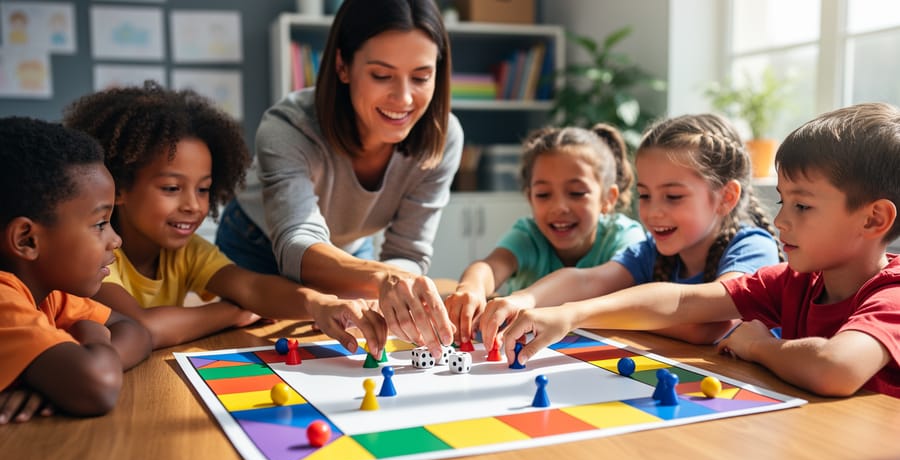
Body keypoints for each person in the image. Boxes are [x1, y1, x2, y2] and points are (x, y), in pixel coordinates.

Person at [495, 103, 900, 398]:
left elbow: (836, 368)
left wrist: (759, 346)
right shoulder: (793, 281)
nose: (781, 222)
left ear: (873, 219)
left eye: (803, 206)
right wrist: (570, 313)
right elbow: (685, 300)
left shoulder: (892, 295)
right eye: (782, 202)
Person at [215, 0, 462, 358]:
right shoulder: (287, 125)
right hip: (257, 245)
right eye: (381, 75)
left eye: (422, 77)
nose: (404, 97)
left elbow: (406, 253)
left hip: (351, 253)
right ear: (342, 66)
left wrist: (392, 285)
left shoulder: (445, 135)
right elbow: (296, 242)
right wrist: (384, 280)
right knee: (243, 353)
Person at [63, 82, 387, 354]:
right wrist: (232, 312)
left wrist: (320, 304)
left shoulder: (186, 253)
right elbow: (141, 327)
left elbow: (252, 286)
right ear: (118, 188)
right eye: (172, 187)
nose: (193, 205)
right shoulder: (94, 256)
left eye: (203, 189)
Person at [480, 113, 781, 348]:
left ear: (725, 197)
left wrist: (574, 315)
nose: (652, 212)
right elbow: (586, 280)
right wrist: (525, 299)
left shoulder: (753, 247)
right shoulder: (651, 250)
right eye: (645, 195)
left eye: (673, 196)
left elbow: (704, 323)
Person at [0, 117, 152, 424]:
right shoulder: (4, 301)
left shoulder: (49, 294)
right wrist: (94, 336)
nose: (116, 240)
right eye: (100, 224)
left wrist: (62, 379)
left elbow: (137, 332)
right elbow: (98, 386)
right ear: (27, 239)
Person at [444, 124, 645, 345]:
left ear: (608, 198)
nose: (558, 207)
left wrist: (526, 299)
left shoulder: (625, 238)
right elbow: (491, 266)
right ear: (530, 198)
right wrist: (471, 288)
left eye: (577, 193)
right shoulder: (529, 235)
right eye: (543, 194)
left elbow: (628, 293)